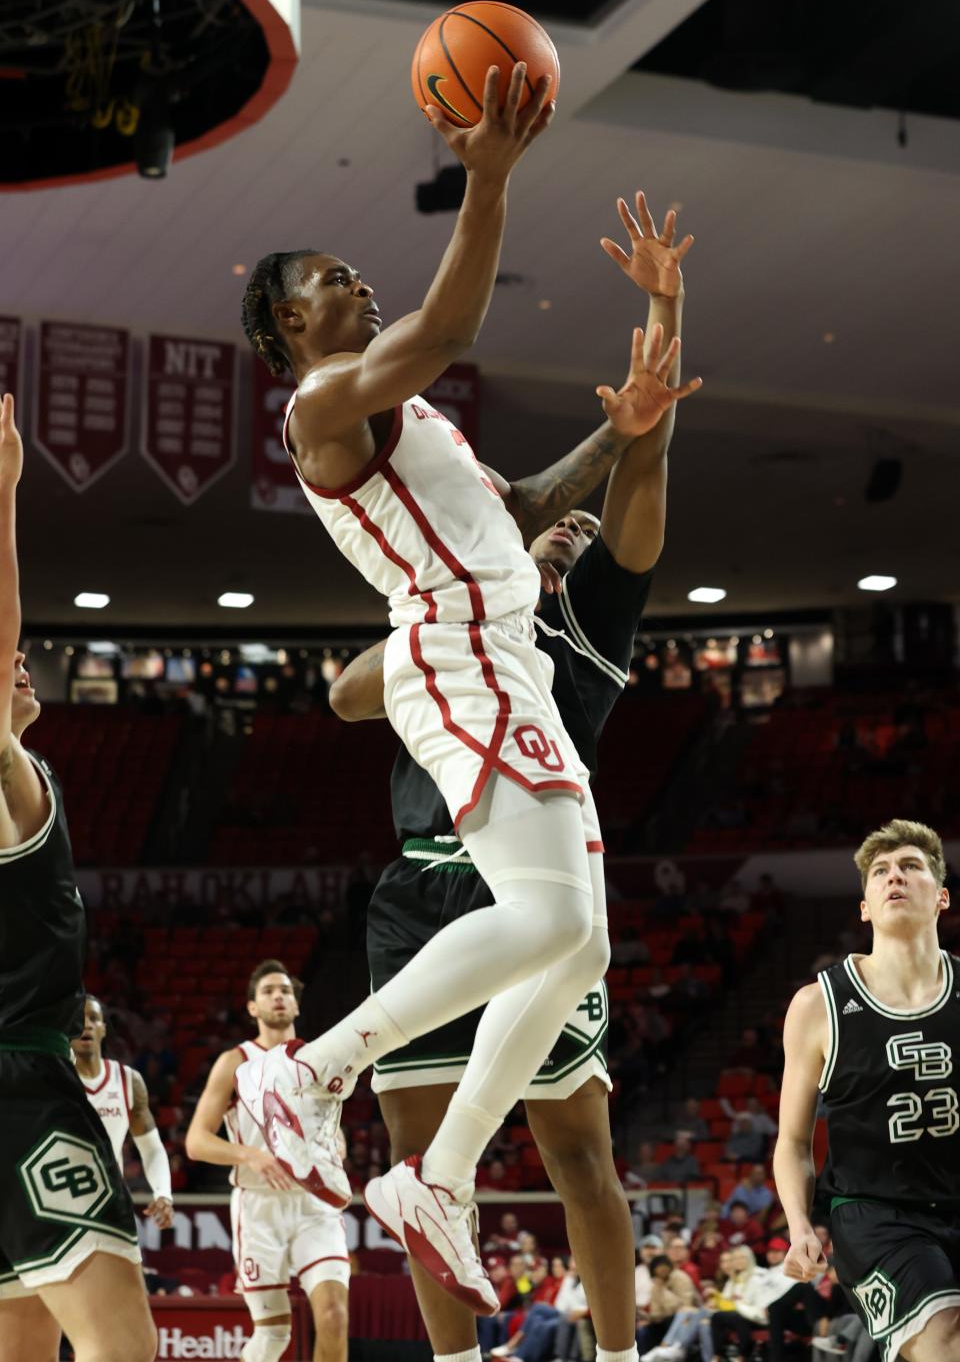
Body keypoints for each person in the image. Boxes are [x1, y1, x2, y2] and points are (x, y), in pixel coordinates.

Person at [236, 63, 699, 1317]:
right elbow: (445, 329)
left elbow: (525, 513)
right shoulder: (325, 404)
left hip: (501, 655)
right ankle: (314, 1075)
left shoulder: (417, 430)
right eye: (331, 281)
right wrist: (486, 175)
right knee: (552, 925)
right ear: (289, 329)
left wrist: (630, 415)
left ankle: (438, 1176)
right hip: (454, 656)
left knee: (581, 938)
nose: (359, 285)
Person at [326, 190, 696, 1362]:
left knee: (579, 1152)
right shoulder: (455, 622)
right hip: (424, 889)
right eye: (557, 530)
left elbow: (642, 472)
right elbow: (344, 693)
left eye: (580, 537)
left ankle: (623, 1355)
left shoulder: (590, 632)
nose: (571, 538)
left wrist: (664, 310)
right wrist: (482, 578)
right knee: (426, 1162)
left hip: (531, 881)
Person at [0, 395, 155, 1362]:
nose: (20, 662)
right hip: (23, 1084)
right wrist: (5, 493)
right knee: (122, 1350)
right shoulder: (11, 778)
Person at [775, 819, 960, 1362]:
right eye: (880, 872)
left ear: (941, 896)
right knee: (946, 1340)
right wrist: (799, 1224)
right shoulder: (818, 1006)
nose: (893, 878)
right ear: (865, 906)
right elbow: (791, 1142)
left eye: (910, 867)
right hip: (876, 1215)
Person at [186, 960, 350, 1362]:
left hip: (313, 1205)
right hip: (259, 1205)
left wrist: (332, 1151)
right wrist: (250, 1154)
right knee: (274, 1335)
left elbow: (334, 1133)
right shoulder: (235, 1061)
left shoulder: (316, 1060)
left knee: (334, 1316)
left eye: (286, 991)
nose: (279, 996)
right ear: (252, 1008)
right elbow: (196, 1141)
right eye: (268, 992)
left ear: (296, 1005)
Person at [70, 996, 174, 1230]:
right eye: (78, 1019)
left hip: (111, 1203)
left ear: (104, 1028)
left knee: (132, 1267)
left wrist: (163, 1193)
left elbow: (152, 1148)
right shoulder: (52, 1080)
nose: (86, 1024)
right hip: (60, 1206)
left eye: (94, 1018)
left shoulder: (127, 1081)